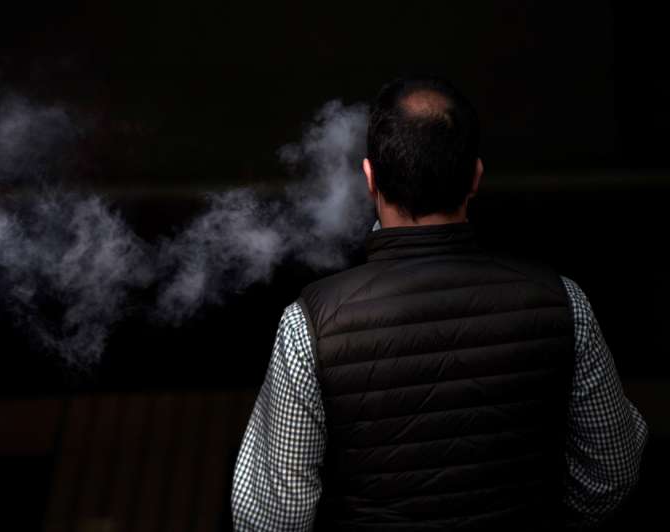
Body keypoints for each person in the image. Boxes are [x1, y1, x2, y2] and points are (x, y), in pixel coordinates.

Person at [231, 77, 648, 531]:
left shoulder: (307, 327)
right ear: (476, 176)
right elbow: (611, 473)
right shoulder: (565, 302)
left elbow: (272, 519)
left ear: (370, 178)